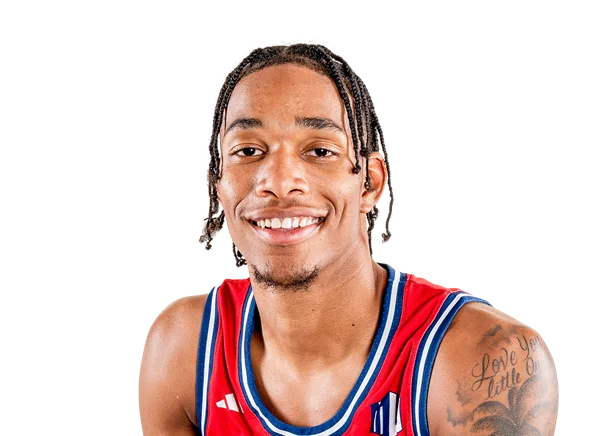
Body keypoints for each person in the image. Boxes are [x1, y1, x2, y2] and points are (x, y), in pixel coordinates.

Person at [138, 40, 559, 435]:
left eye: (320, 151)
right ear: (219, 185)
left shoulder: (481, 358)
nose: (279, 182)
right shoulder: (184, 349)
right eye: (248, 151)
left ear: (370, 183)